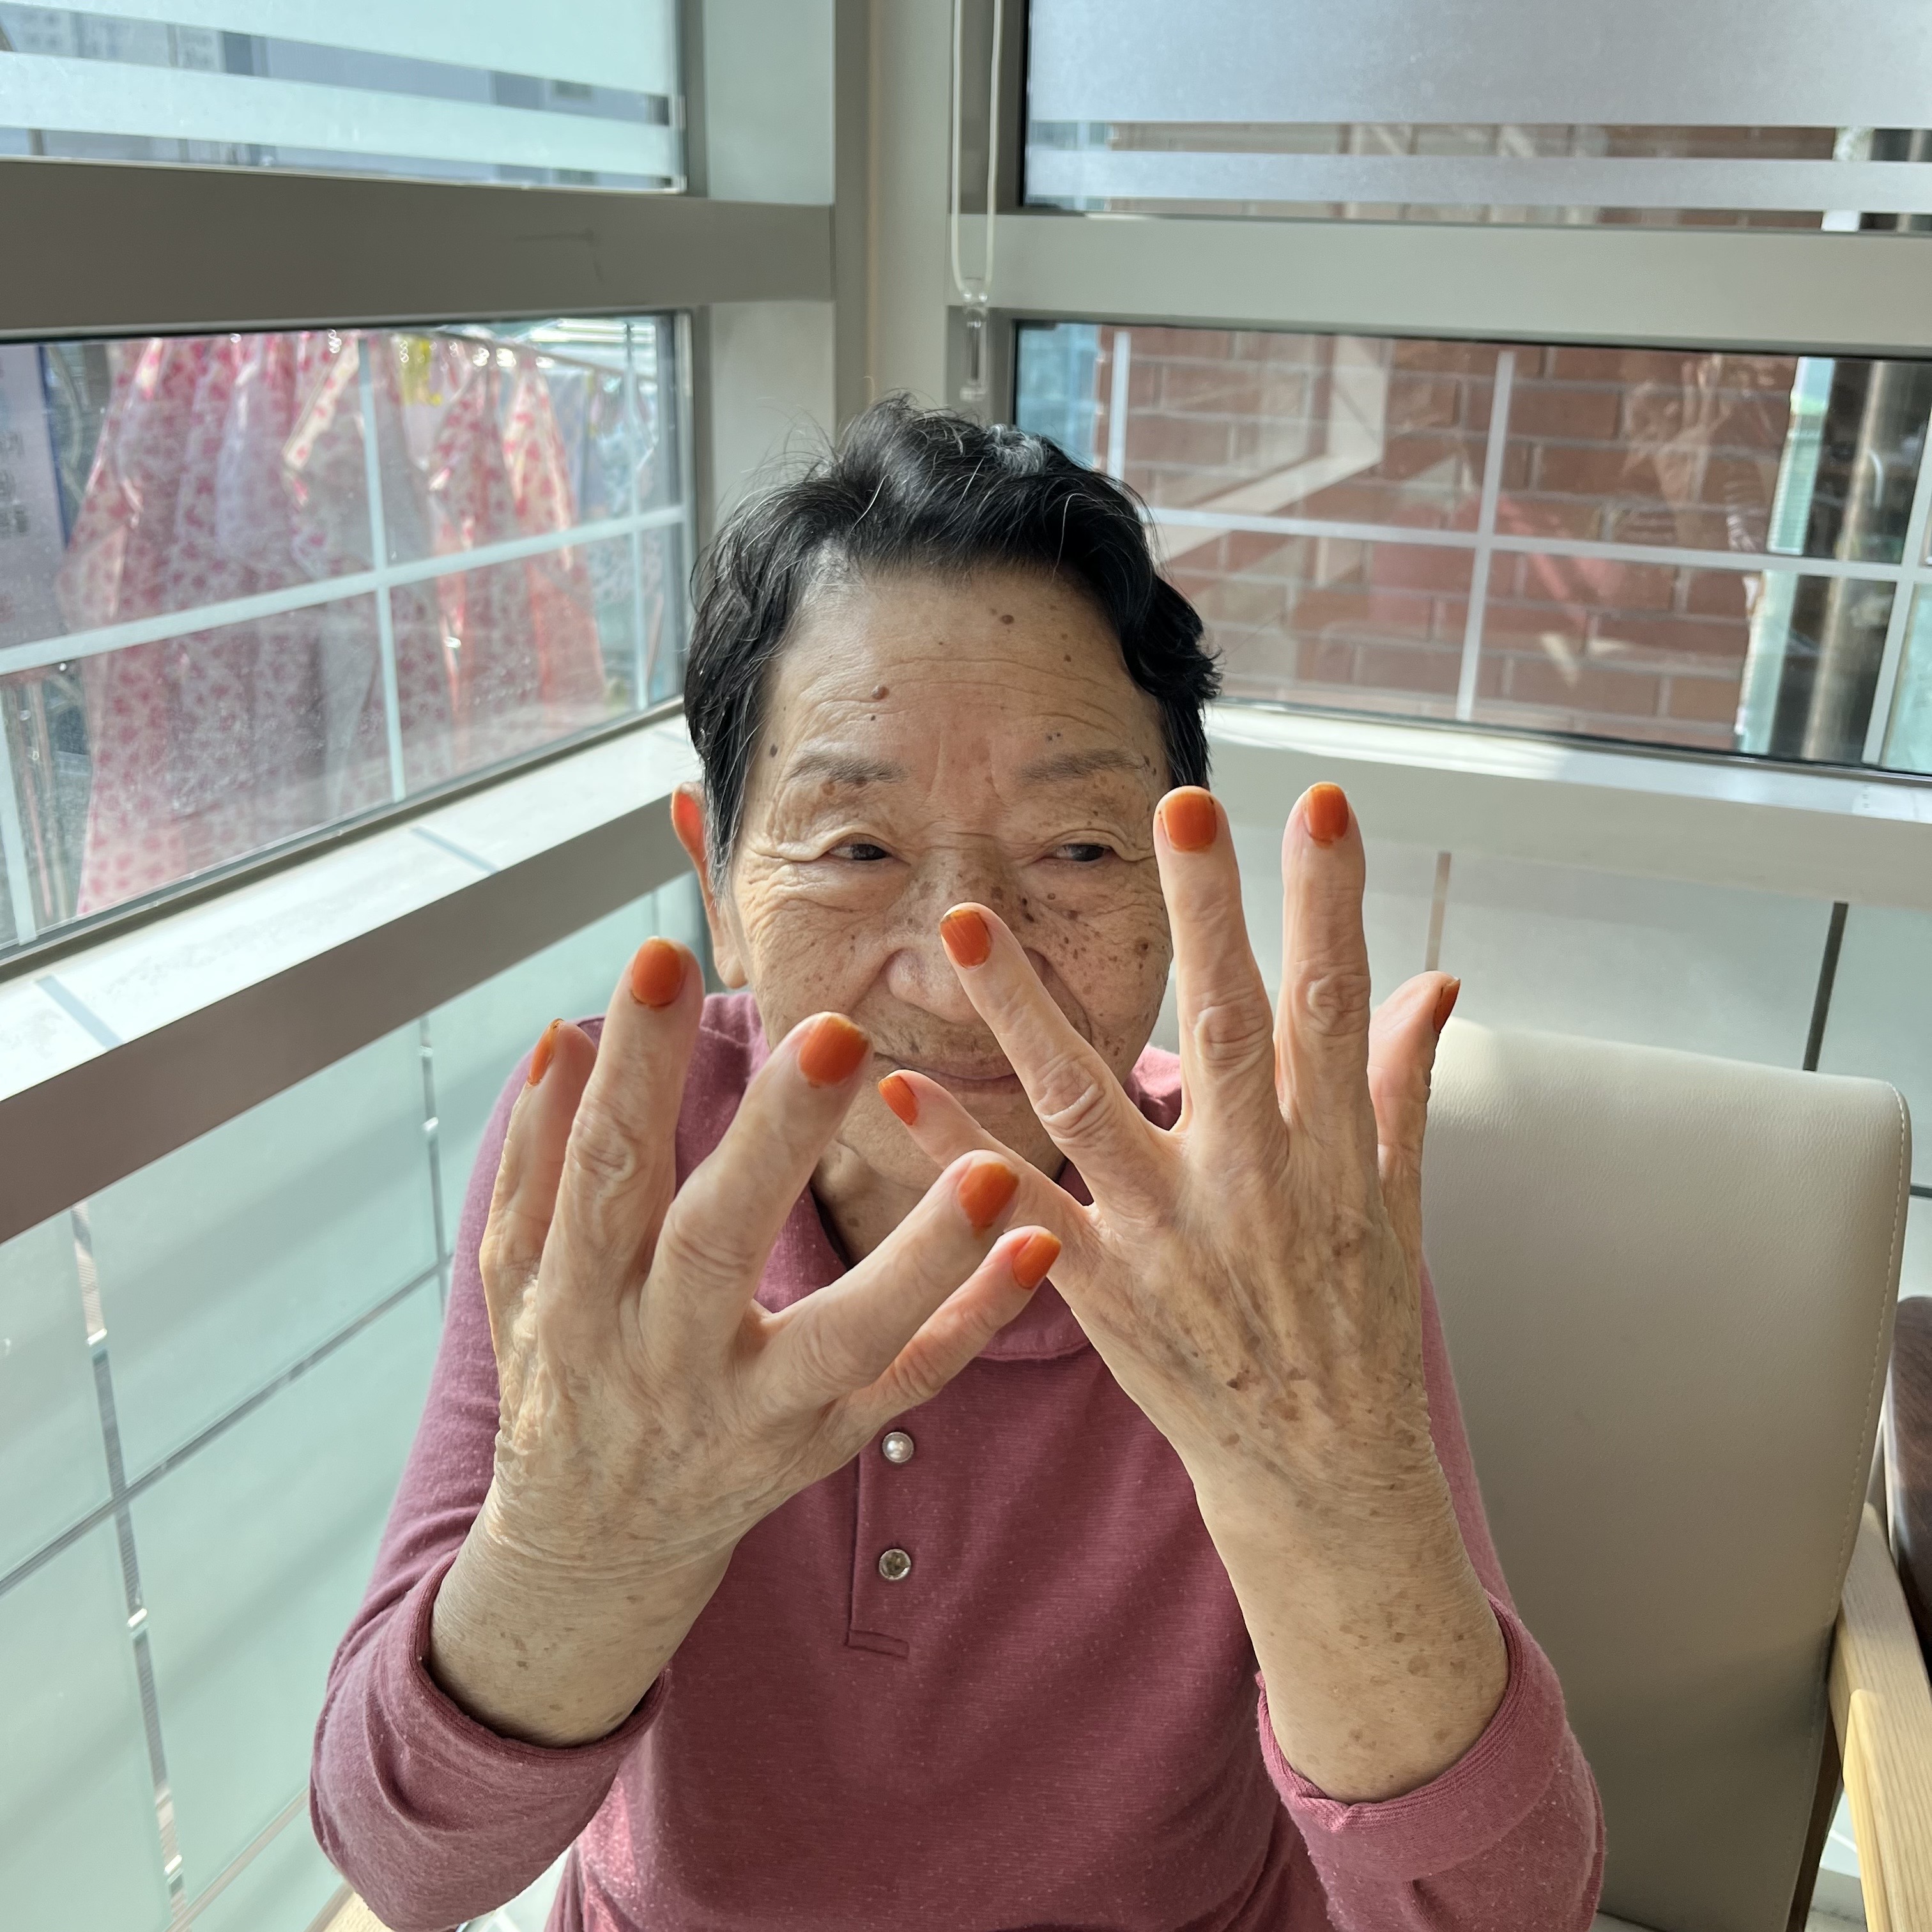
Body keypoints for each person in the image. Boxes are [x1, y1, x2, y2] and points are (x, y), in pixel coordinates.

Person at [311, 397, 1604, 1931]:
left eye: (1077, 850)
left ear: (1179, 866)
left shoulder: (1273, 1227)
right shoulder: (616, 1164)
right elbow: (407, 1864)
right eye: (856, 849)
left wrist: (1326, 1500)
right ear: (718, 876)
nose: (959, 971)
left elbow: (1506, 1913)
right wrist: (589, 1550)